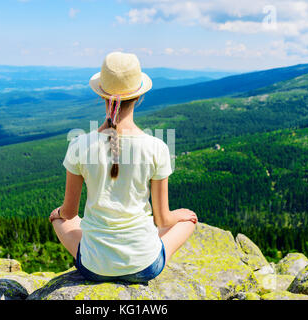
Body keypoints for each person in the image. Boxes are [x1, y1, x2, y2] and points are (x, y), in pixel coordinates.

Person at [49, 51, 197, 283]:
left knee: (59, 220)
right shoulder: (156, 147)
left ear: (102, 97)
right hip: (146, 265)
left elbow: (69, 213)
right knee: (189, 221)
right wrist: (180, 215)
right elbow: (162, 220)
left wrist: (57, 214)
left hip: (94, 267)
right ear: (139, 98)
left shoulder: (79, 145)